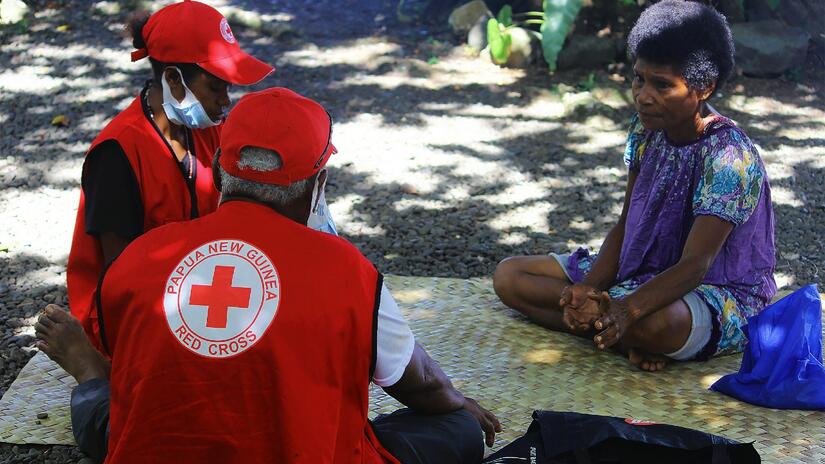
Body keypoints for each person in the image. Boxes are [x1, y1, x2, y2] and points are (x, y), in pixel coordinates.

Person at [37, 87, 500, 463]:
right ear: (319, 185)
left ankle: (89, 378)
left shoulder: (141, 260)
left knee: (117, 416)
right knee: (455, 429)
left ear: (219, 171)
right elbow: (422, 385)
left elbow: (137, 359)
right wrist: (460, 405)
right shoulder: (350, 275)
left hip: (156, 449)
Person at [493, 0, 776, 372]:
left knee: (654, 324)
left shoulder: (728, 156)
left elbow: (695, 265)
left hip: (714, 290)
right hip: (639, 268)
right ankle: (611, 332)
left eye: (662, 85)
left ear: (704, 87)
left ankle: (618, 328)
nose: (643, 95)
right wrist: (590, 290)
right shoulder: (645, 129)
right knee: (509, 277)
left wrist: (627, 311)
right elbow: (626, 225)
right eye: (639, 79)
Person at [67, 0, 274, 352]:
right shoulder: (117, 153)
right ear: (173, 79)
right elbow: (121, 283)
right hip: (133, 317)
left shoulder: (210, 131)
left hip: (197, 297)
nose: (226, 101)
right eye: (216, 87)